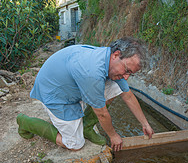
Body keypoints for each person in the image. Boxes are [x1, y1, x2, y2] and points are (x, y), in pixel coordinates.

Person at [17, 37, 154, 151]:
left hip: (70, 86)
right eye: (127, 70)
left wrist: (145, 123)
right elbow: (101, 113)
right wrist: (113, 135)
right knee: (75, 144)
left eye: (130, 73)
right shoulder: (92, 72)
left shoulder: (109, 60)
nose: (126, 77)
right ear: (116, 55)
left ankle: (86, 127)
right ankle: (26, 122)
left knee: (116, 88)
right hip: (55, 94)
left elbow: (127, 95)